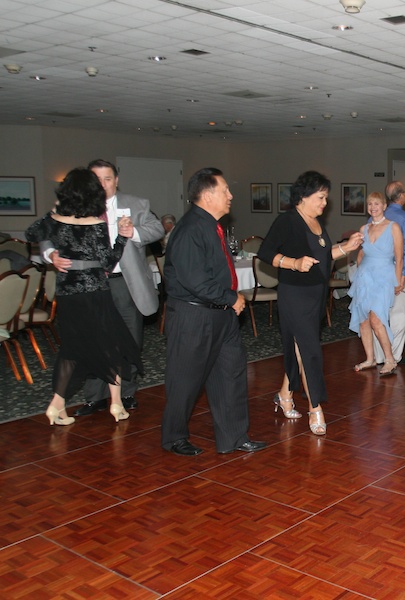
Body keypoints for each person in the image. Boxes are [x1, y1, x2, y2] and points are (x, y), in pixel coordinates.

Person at [42, 159, 163, 417]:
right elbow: (46, 234)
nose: (103, 184)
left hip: (124, 283)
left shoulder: (137, 203)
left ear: (116, 180)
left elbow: (157, 228)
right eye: (97, 180)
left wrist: (133, 232)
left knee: (128, 339)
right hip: (88, 286)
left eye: (108, 179)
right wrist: (51, 254)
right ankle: (95, 397)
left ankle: (126, 394)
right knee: (90, 340)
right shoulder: (74, 207)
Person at [161, 167, 265, 455]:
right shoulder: (190, 229)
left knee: (230, 374)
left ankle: (234, 436)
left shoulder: (210, 226)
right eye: (225, 191)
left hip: (221, 315)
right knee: (185, 379)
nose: (231, 196)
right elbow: (194, 279)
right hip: (195, 315)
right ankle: (174, 437)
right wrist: (230, 298)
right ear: (207, 196)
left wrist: (228, 300)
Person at [26, 168, 142, 426]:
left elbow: (31, 234)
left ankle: (57, 405)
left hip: (68, 294)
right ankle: (116, 404)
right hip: (96, 293)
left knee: (71, 349)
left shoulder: (55, 220)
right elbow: (108, 262)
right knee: (110, 345)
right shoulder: (96, 224)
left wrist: (54, 211)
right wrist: (122, 240)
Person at [257, 171, 363, 435]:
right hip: (294, 295)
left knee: (300, 348)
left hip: (315, 295)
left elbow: (323, 257)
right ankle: (315, 409)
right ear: (303, 197)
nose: (324, 203)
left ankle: (284, 395)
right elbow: (265, 252)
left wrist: (346, 247)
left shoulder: (317, 224)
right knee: (310, 352)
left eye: (325, 198)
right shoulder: (288, 220)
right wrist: (293, 263)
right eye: (321, 197)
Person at [348, 192, 404, 376]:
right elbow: (361, 252)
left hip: (384, 276)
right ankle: (370, 358)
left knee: (376, 319)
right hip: (365, 276)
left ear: (384, 206)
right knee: (364, 320)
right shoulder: (364, 228)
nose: (373, 207)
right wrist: (359, 269)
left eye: (377, 204)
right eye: (370, 204)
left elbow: (399, 256)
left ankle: (389, 359)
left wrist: (397, 280)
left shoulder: (393, 227)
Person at [372, 181, 405, 367]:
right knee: (400, 313)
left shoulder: (376, 216)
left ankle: (380, 355)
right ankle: (395, 355)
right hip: (395, 271)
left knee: (378, 314)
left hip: (375, 271)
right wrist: (403, 274)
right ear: (402, 196)